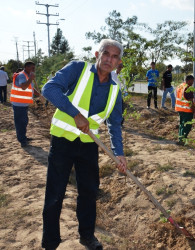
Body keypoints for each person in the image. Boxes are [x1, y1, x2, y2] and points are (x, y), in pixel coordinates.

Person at [41, 39, 127, 250]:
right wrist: (75, 114)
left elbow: (115, 124)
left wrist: (119, 154)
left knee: (89, 192)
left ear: (119, 62)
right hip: (62, 141)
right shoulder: (78, 69)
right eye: (106, 54)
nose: (109, 59)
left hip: (89, 144)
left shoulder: (116, 89)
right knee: (55, 193)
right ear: (97, 54)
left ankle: (87, 236)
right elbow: (48, 89)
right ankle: (51, 242)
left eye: (115, 57)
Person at [10, 61, 37, 147]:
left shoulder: (28, 76)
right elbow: (23, 87)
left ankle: (23, 137)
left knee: (24, 122)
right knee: (20, 122)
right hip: (19, 104)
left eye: (34, 68)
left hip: (24, 104)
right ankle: (22, 140)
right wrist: (31, 78)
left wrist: (39, 94)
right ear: (27, 67)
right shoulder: (22, 75)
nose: (34, 69)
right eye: (32, 68)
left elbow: (30, 87)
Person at [175, 75, 195, 144]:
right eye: (192, 81)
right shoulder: (188, 88)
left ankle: (180, 139)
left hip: (179, 109)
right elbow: (190, 102)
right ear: (189, 80)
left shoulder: (180, 86)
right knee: (187, 126)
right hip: (187, 110)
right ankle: (182, 140)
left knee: (182, 124)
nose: (193, 82)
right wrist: (194, 112)